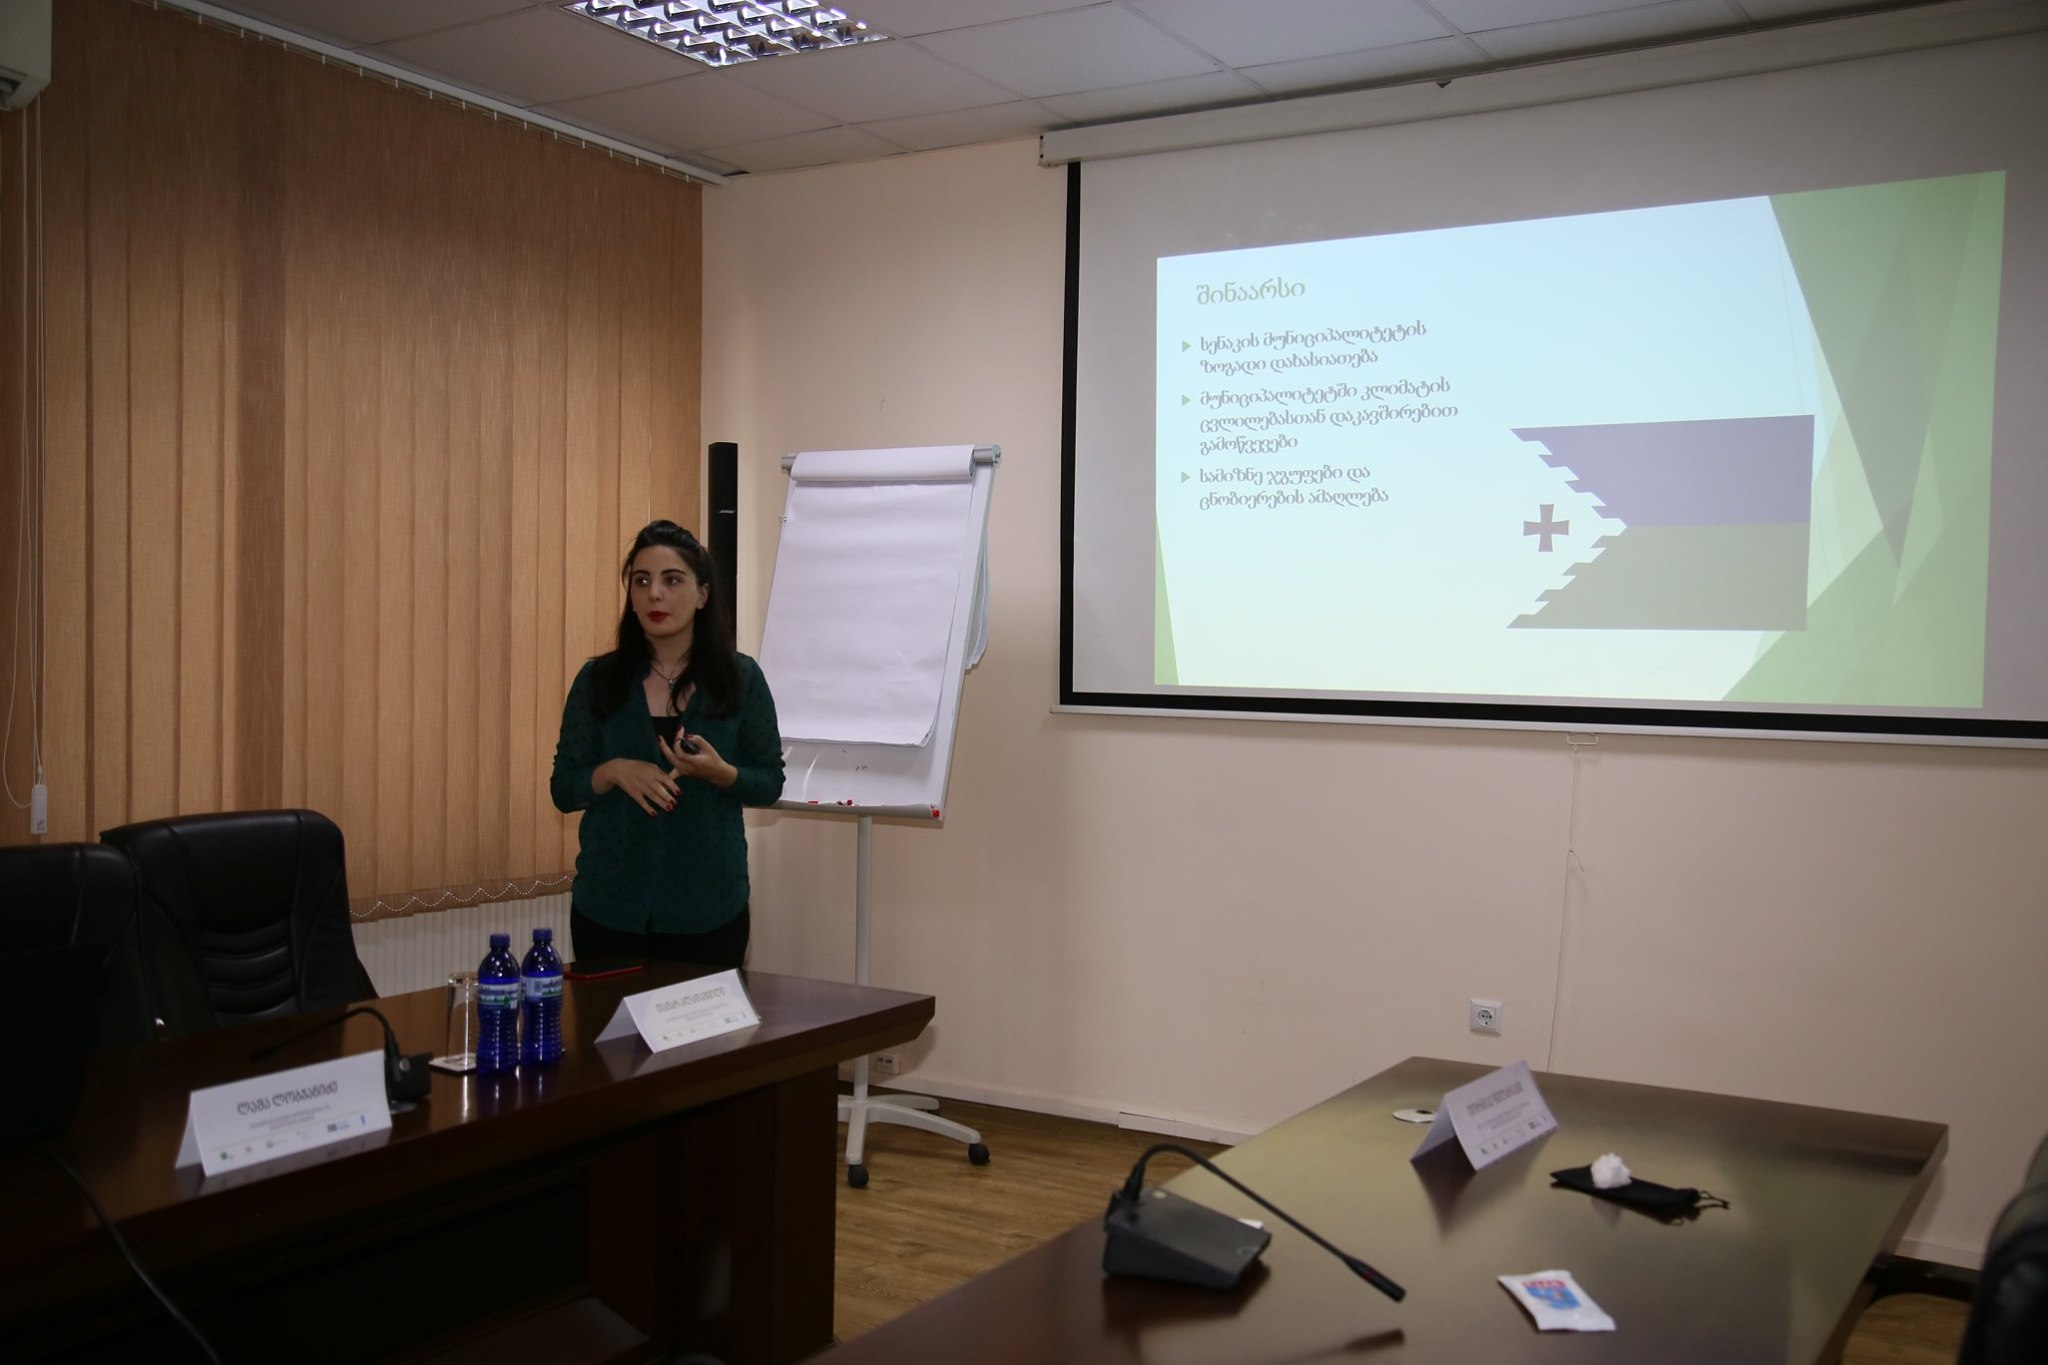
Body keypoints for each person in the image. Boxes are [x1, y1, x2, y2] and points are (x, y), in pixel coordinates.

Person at [551, 520, 783, 969]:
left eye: (672, 580)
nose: (654, 594)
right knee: (609, 1020)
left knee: (708, 1020)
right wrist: (614, 770)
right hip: (610, 909)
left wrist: (722, 773)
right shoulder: (598, 680)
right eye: (641, 581)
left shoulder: (741, 678)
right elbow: (564, 789)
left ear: (702, 595)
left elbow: (769, 781)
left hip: (709, 911)